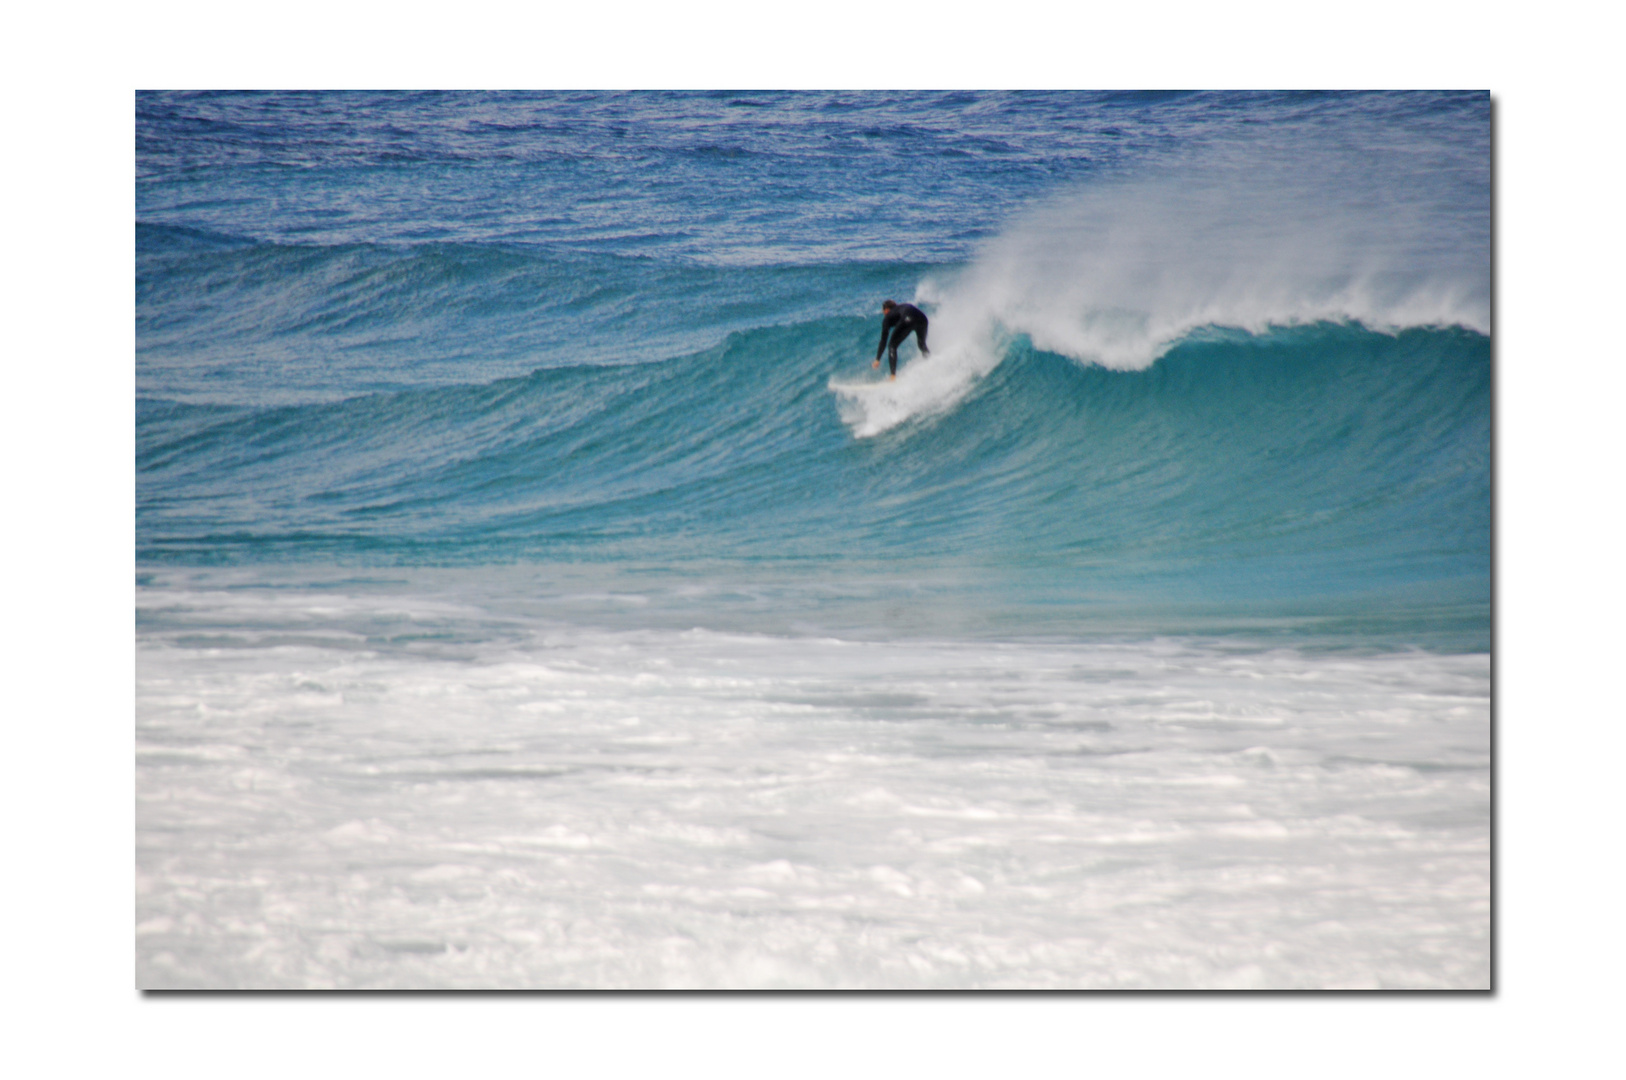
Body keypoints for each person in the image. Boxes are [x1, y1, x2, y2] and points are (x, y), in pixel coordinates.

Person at [874, 300, 929, 379]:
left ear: (886, 310)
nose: (883, 313)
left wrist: (877, 359)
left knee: (892, 346)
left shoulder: (888, 316)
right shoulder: (902, 307)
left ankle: (893, 376)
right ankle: (930, 362)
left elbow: (883, 340)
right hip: (923, 319)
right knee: (922, 344)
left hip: (908, 319)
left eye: (883, 311)